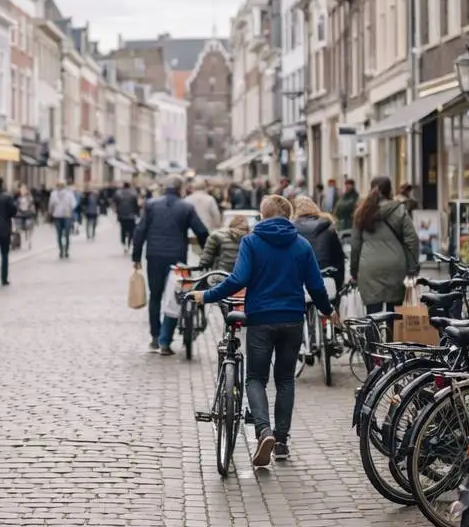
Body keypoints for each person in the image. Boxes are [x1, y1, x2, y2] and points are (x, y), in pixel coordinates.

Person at [194, 194, 336, 466]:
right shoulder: (301, 245)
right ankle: (281, 442)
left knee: (256, 379)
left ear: (263, 214)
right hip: (292, 319)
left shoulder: (252, 242)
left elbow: (238, 279)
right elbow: (316, 286)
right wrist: (327, 310)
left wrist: (207, 295)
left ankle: (264, 431)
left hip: (260, 319)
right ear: (288, 216)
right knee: (285, 380)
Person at [132, 175, 210, 355]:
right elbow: (201, 231)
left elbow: (140, 231)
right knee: (175, 296)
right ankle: (165, 340)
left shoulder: (151, 205)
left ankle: (155, 336)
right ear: (181, 188)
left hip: (154, 255)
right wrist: (207, 254)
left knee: (155, 296)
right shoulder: (186, 207)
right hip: (177, 258)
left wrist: (136, 257)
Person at [350, 176, 420, 321]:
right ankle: (392, 334)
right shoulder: (399, 210)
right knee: (394, 313)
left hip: (369, 267)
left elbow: (355, 245)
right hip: (396, 266)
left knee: (372, 313)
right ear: (390, 190)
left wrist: (354, 271)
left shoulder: (361, 212)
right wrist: (412, 267)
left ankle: (373, 334)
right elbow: (412, 240)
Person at [292, 196, 347, 297]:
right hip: (325, 277)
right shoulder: (328, 227)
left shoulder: (291, 230)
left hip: (300, 281)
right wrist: (340, 284)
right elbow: (339, 258)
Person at [49, 180, 78, 258]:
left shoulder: (68, 194)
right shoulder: (54, 194)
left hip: (64, 216)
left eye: (61, 185)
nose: (60, 187)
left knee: (64, 234)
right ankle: (63, 250)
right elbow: (73, 205)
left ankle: (64, 250)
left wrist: (50, 213)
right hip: (61, 216)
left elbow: (73, 205)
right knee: (61, 234)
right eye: (59, 185)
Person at [114, 181, 141, 252]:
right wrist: (138, 214)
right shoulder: (134, 193)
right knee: (131, 231)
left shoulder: (118, 193)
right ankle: (128, 244)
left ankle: (123, 243)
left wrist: (117, 212)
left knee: (123, 229)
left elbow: (116, 203)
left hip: (121, 215)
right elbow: (136, 205)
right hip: (131, 216)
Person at [333, 178, 359, 249]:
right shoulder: (343, 196)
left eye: (349, 184)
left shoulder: (356, 197)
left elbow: (356, 208)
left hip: (350, 224)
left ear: (353, 186)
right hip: (340, 224)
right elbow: (337, 207)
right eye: (346, 185)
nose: (347, 186)